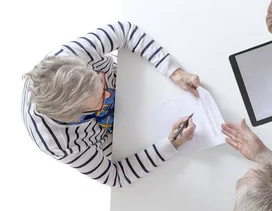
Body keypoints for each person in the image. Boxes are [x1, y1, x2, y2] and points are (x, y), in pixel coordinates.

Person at [22, 21, 200, 187]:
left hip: (135, 84)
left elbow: (126, 31)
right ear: (72, 117)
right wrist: (171, 144)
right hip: (118, 139)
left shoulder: (73, 55)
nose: (110, 94)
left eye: (99, 80)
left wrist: (174, 72)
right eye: (100, 100)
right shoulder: (59, 143)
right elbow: (116, 175)